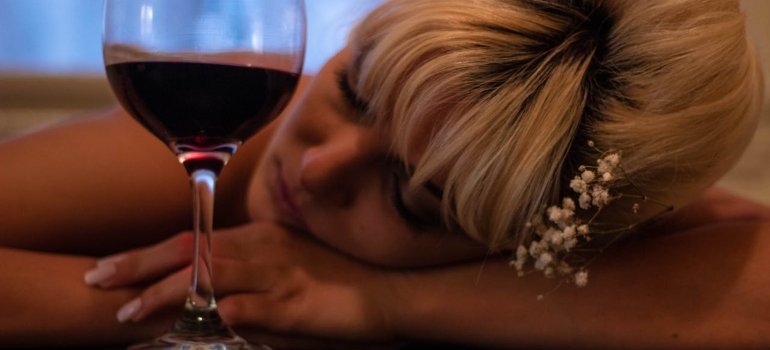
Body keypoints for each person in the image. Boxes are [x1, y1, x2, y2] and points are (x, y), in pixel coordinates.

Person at [1, 0, 768, 348]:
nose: (318, 164)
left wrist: (380, 302)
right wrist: (220, 306)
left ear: (540, 248)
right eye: (353, 91)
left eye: (412, 200)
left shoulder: (585, 213)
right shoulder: (234, 129)